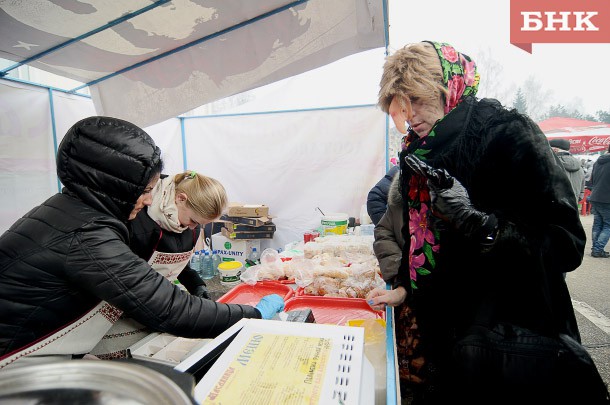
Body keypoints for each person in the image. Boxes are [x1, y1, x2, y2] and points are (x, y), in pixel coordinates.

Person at [366, 41, 589, 403]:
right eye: (402, 108)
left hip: (508, 343)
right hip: (444, 340)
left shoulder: (507, 134)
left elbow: (566, 244)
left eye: (417, 101)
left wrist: (480, 224)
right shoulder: (418, 150)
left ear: (447, 88)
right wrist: (405, 285)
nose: (410, 116)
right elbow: (421, 241)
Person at [0, 116, 284, 368]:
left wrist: (195, 284)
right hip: (15, 359)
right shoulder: (88, 235)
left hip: (44, 344)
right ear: (116, 187)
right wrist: (253, 314)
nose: (149, 200)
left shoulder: (70, 211)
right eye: (145, 190)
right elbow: (169, 308)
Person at [90, 171, 228, 358]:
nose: (193, 227)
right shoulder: (136, 217)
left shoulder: (186, 225)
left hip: (152, 301)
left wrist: (196, 284)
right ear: (180, 198)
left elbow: (177, 260)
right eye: (194, 221)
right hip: (118, 303)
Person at [589, 145, 610, 258]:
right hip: (607, 199)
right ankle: (597, 249)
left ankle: (595, 248)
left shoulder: (598, 162)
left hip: (595, 196)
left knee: (597, 224)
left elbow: (591, 180)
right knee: (607, 225)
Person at [549, 138, 585, 203]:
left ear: (555, 150)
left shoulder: (550, 164)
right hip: (573, 204)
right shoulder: (580, 167)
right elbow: (582, 191)